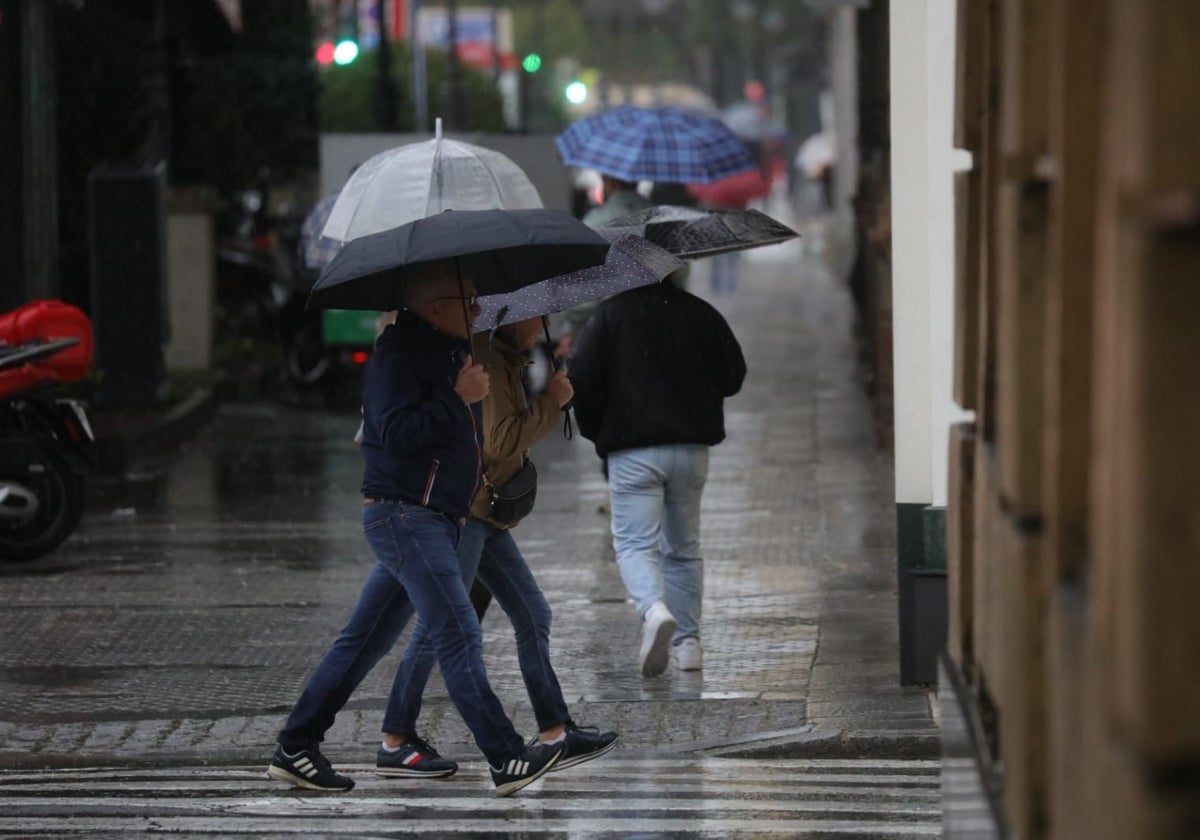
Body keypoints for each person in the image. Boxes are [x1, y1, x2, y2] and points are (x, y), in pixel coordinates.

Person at [267, 262, 564, 797]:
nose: (478, 309)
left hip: (430, 519)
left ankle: (297, 745)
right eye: (468, 299)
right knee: (457, 634)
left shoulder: (446, 352)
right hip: (407, 517)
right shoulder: (399, 353)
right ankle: (507, 755)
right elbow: (390, 432)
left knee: (363, 642)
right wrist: (458, 398)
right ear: (434, 307)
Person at [377, 316, 618, 779]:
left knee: (532, 614)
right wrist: (551, 403)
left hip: (487, 514)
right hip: (467, 512)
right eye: (538, 316)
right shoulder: (487, 358)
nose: (543, 323)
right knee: (440, 626)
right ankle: (395, 737)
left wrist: (544, 395)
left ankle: (554, 730)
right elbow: (500, 441)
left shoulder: (509, 358)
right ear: (513, 314)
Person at [567, 278, 746, 677]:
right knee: (683, 548)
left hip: (633, 449)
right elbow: (734, 376)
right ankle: (689, 645)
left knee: (633, 545)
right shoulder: (701, 313)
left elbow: (580, 377)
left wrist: (600, 432)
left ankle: (653, 609)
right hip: (690, 447)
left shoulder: (608, 316)